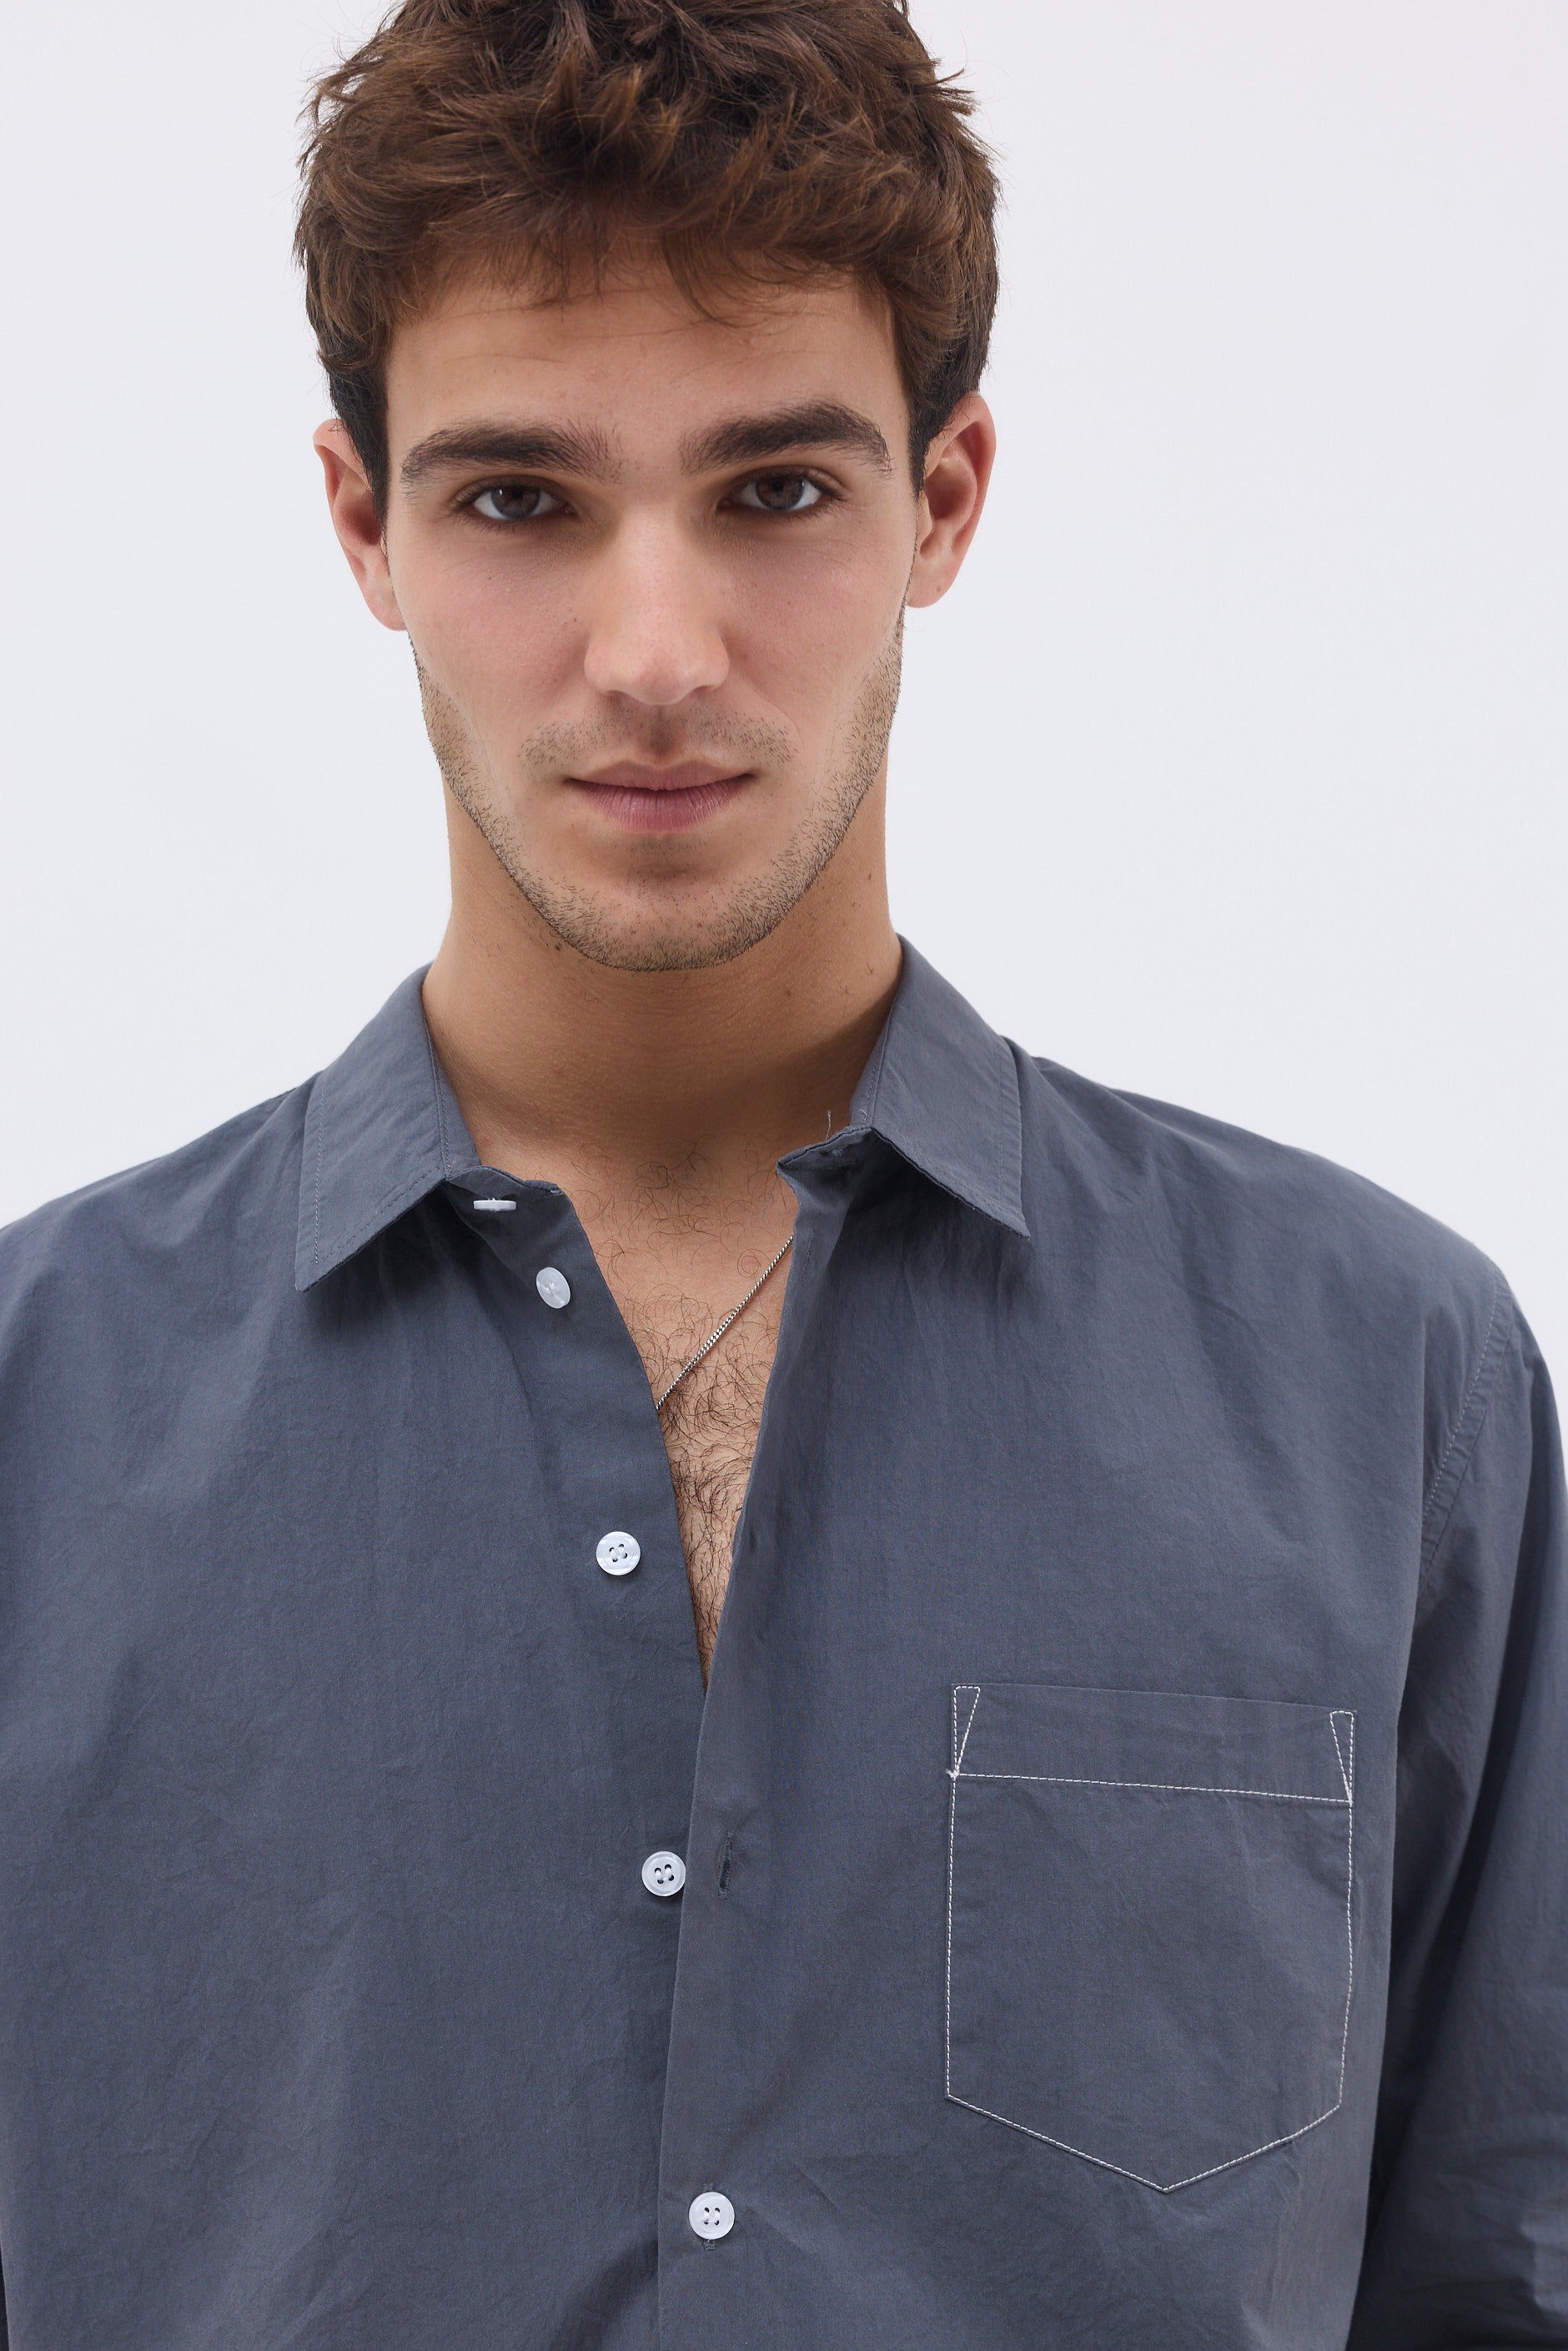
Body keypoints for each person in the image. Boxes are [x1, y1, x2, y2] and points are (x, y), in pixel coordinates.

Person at [0, 1, 1561, 2343]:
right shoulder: (33, 1419)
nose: (656, 653)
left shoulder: (1385, 1385)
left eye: (776, 492)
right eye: (519, 499)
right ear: (363, 522)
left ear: (944, 497)